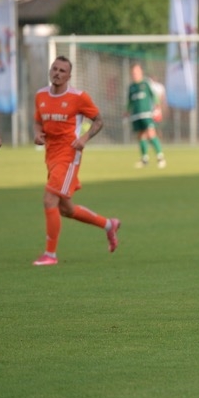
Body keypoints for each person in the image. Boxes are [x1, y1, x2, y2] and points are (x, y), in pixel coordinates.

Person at [32, 55, 119, 266]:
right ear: (50, 71)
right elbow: (37, 122)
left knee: (49, 199)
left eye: (62, 70)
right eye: (55, 69)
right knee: (65, 209)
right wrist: (37, 134)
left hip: (69, 155)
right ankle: (108, 225)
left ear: (69, 76)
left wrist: (84, 138)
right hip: (51, 156)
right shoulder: (40, 95)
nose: (57, 73)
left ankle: (50, 255)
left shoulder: (79, 97)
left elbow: (98, 120)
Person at [127, 63, 166, 169]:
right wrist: (127, 110)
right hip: (136, 115)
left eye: (136, 72)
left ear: (141, 72)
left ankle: (160, 157)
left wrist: (157, 106)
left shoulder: (146, 83)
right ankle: (144, 159)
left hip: (147, 114)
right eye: (133, 73)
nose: (135, 74)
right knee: (141, 136)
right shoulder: (131, 87)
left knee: (151, 134)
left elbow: (154, 96)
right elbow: (129, 101)